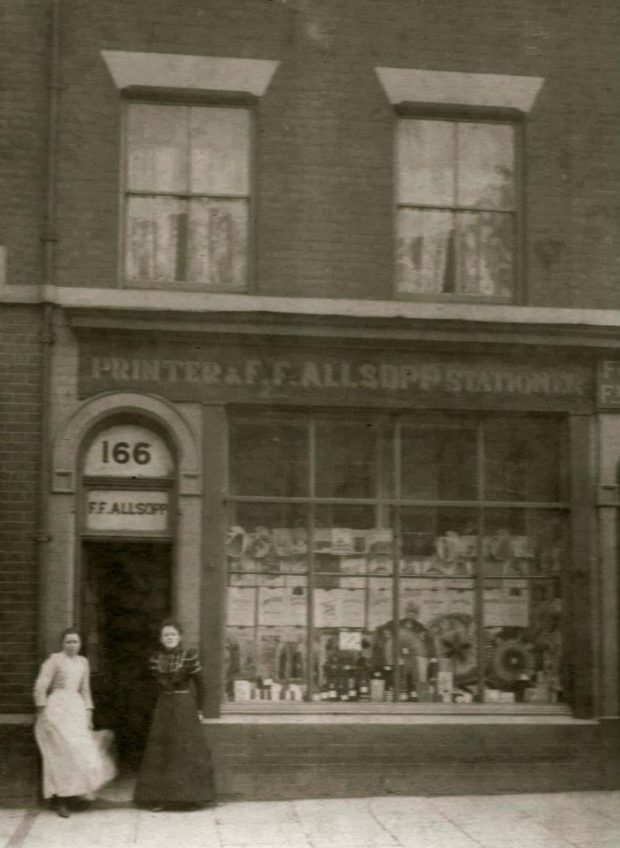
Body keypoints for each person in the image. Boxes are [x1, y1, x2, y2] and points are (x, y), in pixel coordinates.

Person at [33, 627, 116, 818]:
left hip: (76, 709)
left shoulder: (83, 662)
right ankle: (60, 799)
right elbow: (40, 687)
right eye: (68, 641)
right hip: (57, 708)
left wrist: (88, 714)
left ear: (81, 644)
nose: (72, 645)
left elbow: (85, 690)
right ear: (62, 643)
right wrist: (42, 712)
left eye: (75, 641)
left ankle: (74, 795)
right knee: (60, 754)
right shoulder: (54, 660)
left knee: (78, 751)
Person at [134, 619, 216, 811]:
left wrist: (199, 709)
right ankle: (161, 799)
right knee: (162, 751)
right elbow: (150, 685)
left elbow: (201, 684)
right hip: (164, 706)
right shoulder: (155, 658)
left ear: (179, 637)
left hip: (184, 706)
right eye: (165, 635)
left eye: (172, 634)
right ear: (161, 638)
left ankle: (188, 799)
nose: (169, 638)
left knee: (184, 750)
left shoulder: (189, 656)